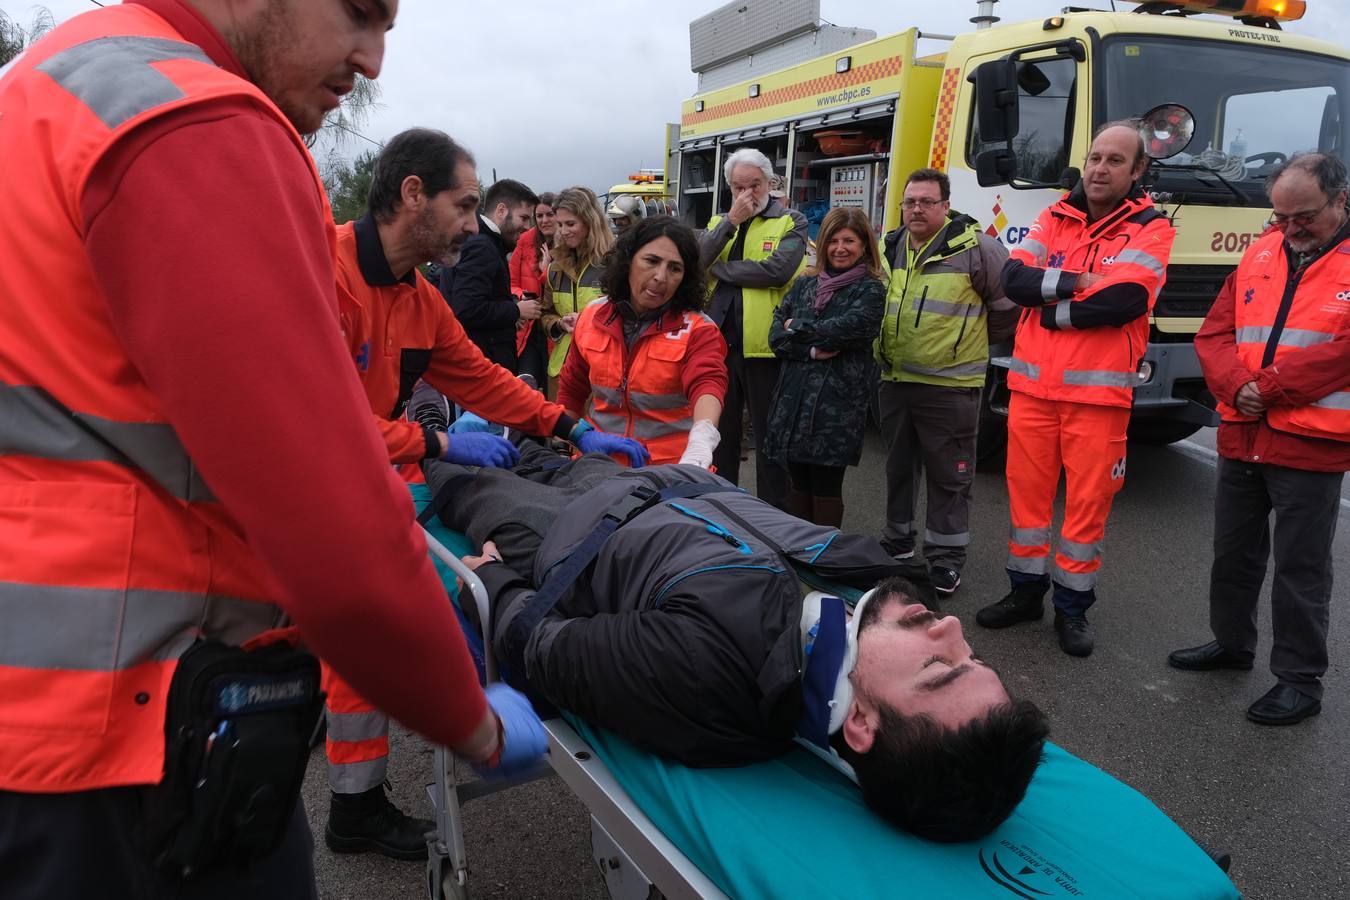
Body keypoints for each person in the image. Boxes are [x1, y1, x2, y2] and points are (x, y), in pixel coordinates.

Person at [0, 2, 544, 897]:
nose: (371, 61)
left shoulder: (55, 81)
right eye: (360, 12)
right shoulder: (192, 119)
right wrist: (468, 714)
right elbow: (330, 519)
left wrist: (558, 425)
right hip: (133, 741)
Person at [423, 446, 1050, 843]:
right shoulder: (885, 599)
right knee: (534, 446)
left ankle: (426, 432)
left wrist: (491, 576)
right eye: (973, 657)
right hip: (655, 480)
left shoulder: (708, 673)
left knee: (461, 476)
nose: (951, 629)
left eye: (941, 668)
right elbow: (906, 588)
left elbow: (537, 644)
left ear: (858, 722)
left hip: (553, 532)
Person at [326, 128, 648, 859]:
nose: (477, 226)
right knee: (344, 637)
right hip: (311, 489)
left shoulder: (416, 297)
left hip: (373, 480)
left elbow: (483, 379)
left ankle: (353, 807)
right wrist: (436, 443)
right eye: (465, 206)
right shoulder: (325, 272)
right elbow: (317, 423)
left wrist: (570, 427)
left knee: (353, 648)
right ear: (413, 195)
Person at [975, 121, 1175, 657]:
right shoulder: (1053, 215)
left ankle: (1071, 611)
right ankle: (1024, 595)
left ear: (1137, 172)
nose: (1099, 169)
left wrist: (1052, 311)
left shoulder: (1151, 228)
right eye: (1094, 158)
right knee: (1027, 504)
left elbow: (1125, 300)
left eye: (1114, 160)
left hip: (1097, 401)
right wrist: (1076, 285)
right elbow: (1012, 282)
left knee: (1086, 512)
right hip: (1034, 394)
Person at [1168, 153, 1350, 726]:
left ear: (1341, 200)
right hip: (1244, 433)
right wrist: (1237, 385)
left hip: (1310, 442)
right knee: (1234, 555)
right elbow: (1216, 330)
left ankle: (1299, 681)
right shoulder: (1262, 249)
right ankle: (1232, 644)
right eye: (1280, 216)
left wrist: (1266, 388)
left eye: (1304, 217)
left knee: (1301, 569)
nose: (1291, 228)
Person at [875, 169, 1015, 595]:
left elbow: (1007, 312)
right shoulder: (891, 246)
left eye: (926, 202)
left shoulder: (979, 250)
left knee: (949, 477)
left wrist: (962, 347)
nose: (916, 209)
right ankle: (897, 544)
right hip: (896, 380)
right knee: (898, 468)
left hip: (951, 386)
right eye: (909, 201)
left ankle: (945, 559)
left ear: (945, 206)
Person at [558, 216, 727, 467]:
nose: (661, 276)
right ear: (628, 261)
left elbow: (708, 384)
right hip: (596, 465)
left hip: (672, 471)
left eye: (675, 268)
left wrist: (702, 441)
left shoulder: (698, 329)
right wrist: (562, 444)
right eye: (651, 261)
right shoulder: (593, 316)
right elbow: (572, 389)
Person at [763, 206, 886, 527]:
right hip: (793, 403)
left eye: (849, 240)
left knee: (826, 485)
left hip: (835, 408)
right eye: (833, 240)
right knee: (798, 484)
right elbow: (775, 337)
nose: (840, 248)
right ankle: (799, 553)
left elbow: (849, 328)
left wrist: (796, 326)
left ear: (864, 246)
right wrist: (813, 352)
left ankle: (825, 557)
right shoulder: (805, 284)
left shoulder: (871, 290)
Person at [700, 148, 808, 509]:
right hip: (718, 346)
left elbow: (777, 271)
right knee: (720, 436)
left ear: (769, 183)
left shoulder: (791, 221)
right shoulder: (720, 223)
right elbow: (695, 261)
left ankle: (774, 519)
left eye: (754, 185)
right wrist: (731, 222)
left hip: (766, 348)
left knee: (770, 441)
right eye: (738, 187)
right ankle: (722, 510)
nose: (747, 195)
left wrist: (721, 270)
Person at [440, 178, 541, 372]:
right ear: (501, 211)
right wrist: (516, 311)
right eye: (524, 218)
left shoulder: (479, 240)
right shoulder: (482, 246)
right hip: (481, 366)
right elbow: (467, 308)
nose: (528, 227)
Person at [541, 186, 613, 378]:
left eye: (570, 224)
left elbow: (630, 318)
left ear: (590, 222)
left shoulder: (615, 264)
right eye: (560, 224)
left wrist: (587, 321)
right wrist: (559, 324)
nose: (563, 231)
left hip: (602, 373)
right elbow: (546, 313)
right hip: (561, 371)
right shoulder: (555, 267)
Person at [510, 191, 558, 387]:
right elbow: (510, 281)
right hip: (528, 327)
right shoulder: (525, 241)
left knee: (552, 386)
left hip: (555, 326)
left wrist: (546, 272)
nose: (544, 220)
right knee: (525, 383)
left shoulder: (569, 244)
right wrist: (523, 298)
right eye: (539, 216)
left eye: (550, 214)